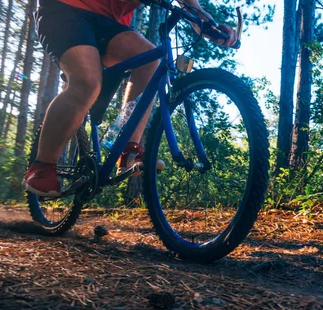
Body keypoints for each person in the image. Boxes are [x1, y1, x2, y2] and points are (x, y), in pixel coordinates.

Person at [22, 0, 238, 197]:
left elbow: (192, 7)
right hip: (64, 9)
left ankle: (128, 150)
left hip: (109, 23)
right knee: (87, 82)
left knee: (151, 61)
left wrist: (212, 27)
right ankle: (42, 167)